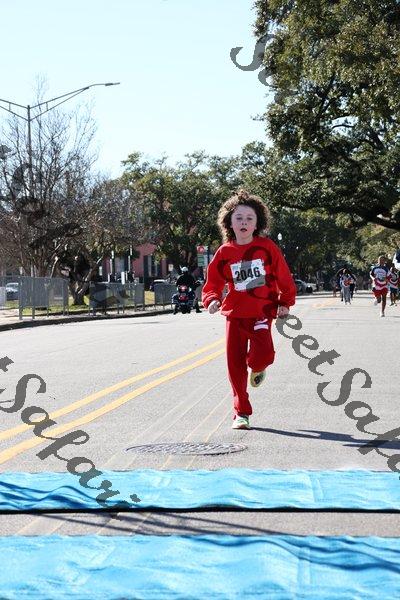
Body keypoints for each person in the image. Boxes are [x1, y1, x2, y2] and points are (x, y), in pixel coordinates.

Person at [202, 189, 296, 430]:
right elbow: (213, 282)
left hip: (261, 312)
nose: (244, 222)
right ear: (229, 223)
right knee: (234, 365)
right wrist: (211, 299)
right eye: (239, 218)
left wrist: (285, 302)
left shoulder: (267, 247)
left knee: (263, 354)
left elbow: (283, 276)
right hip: (235, 315)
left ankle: (258, 365)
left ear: (257, 224)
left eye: (249, 218)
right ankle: (241, 413)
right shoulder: (224, 252)